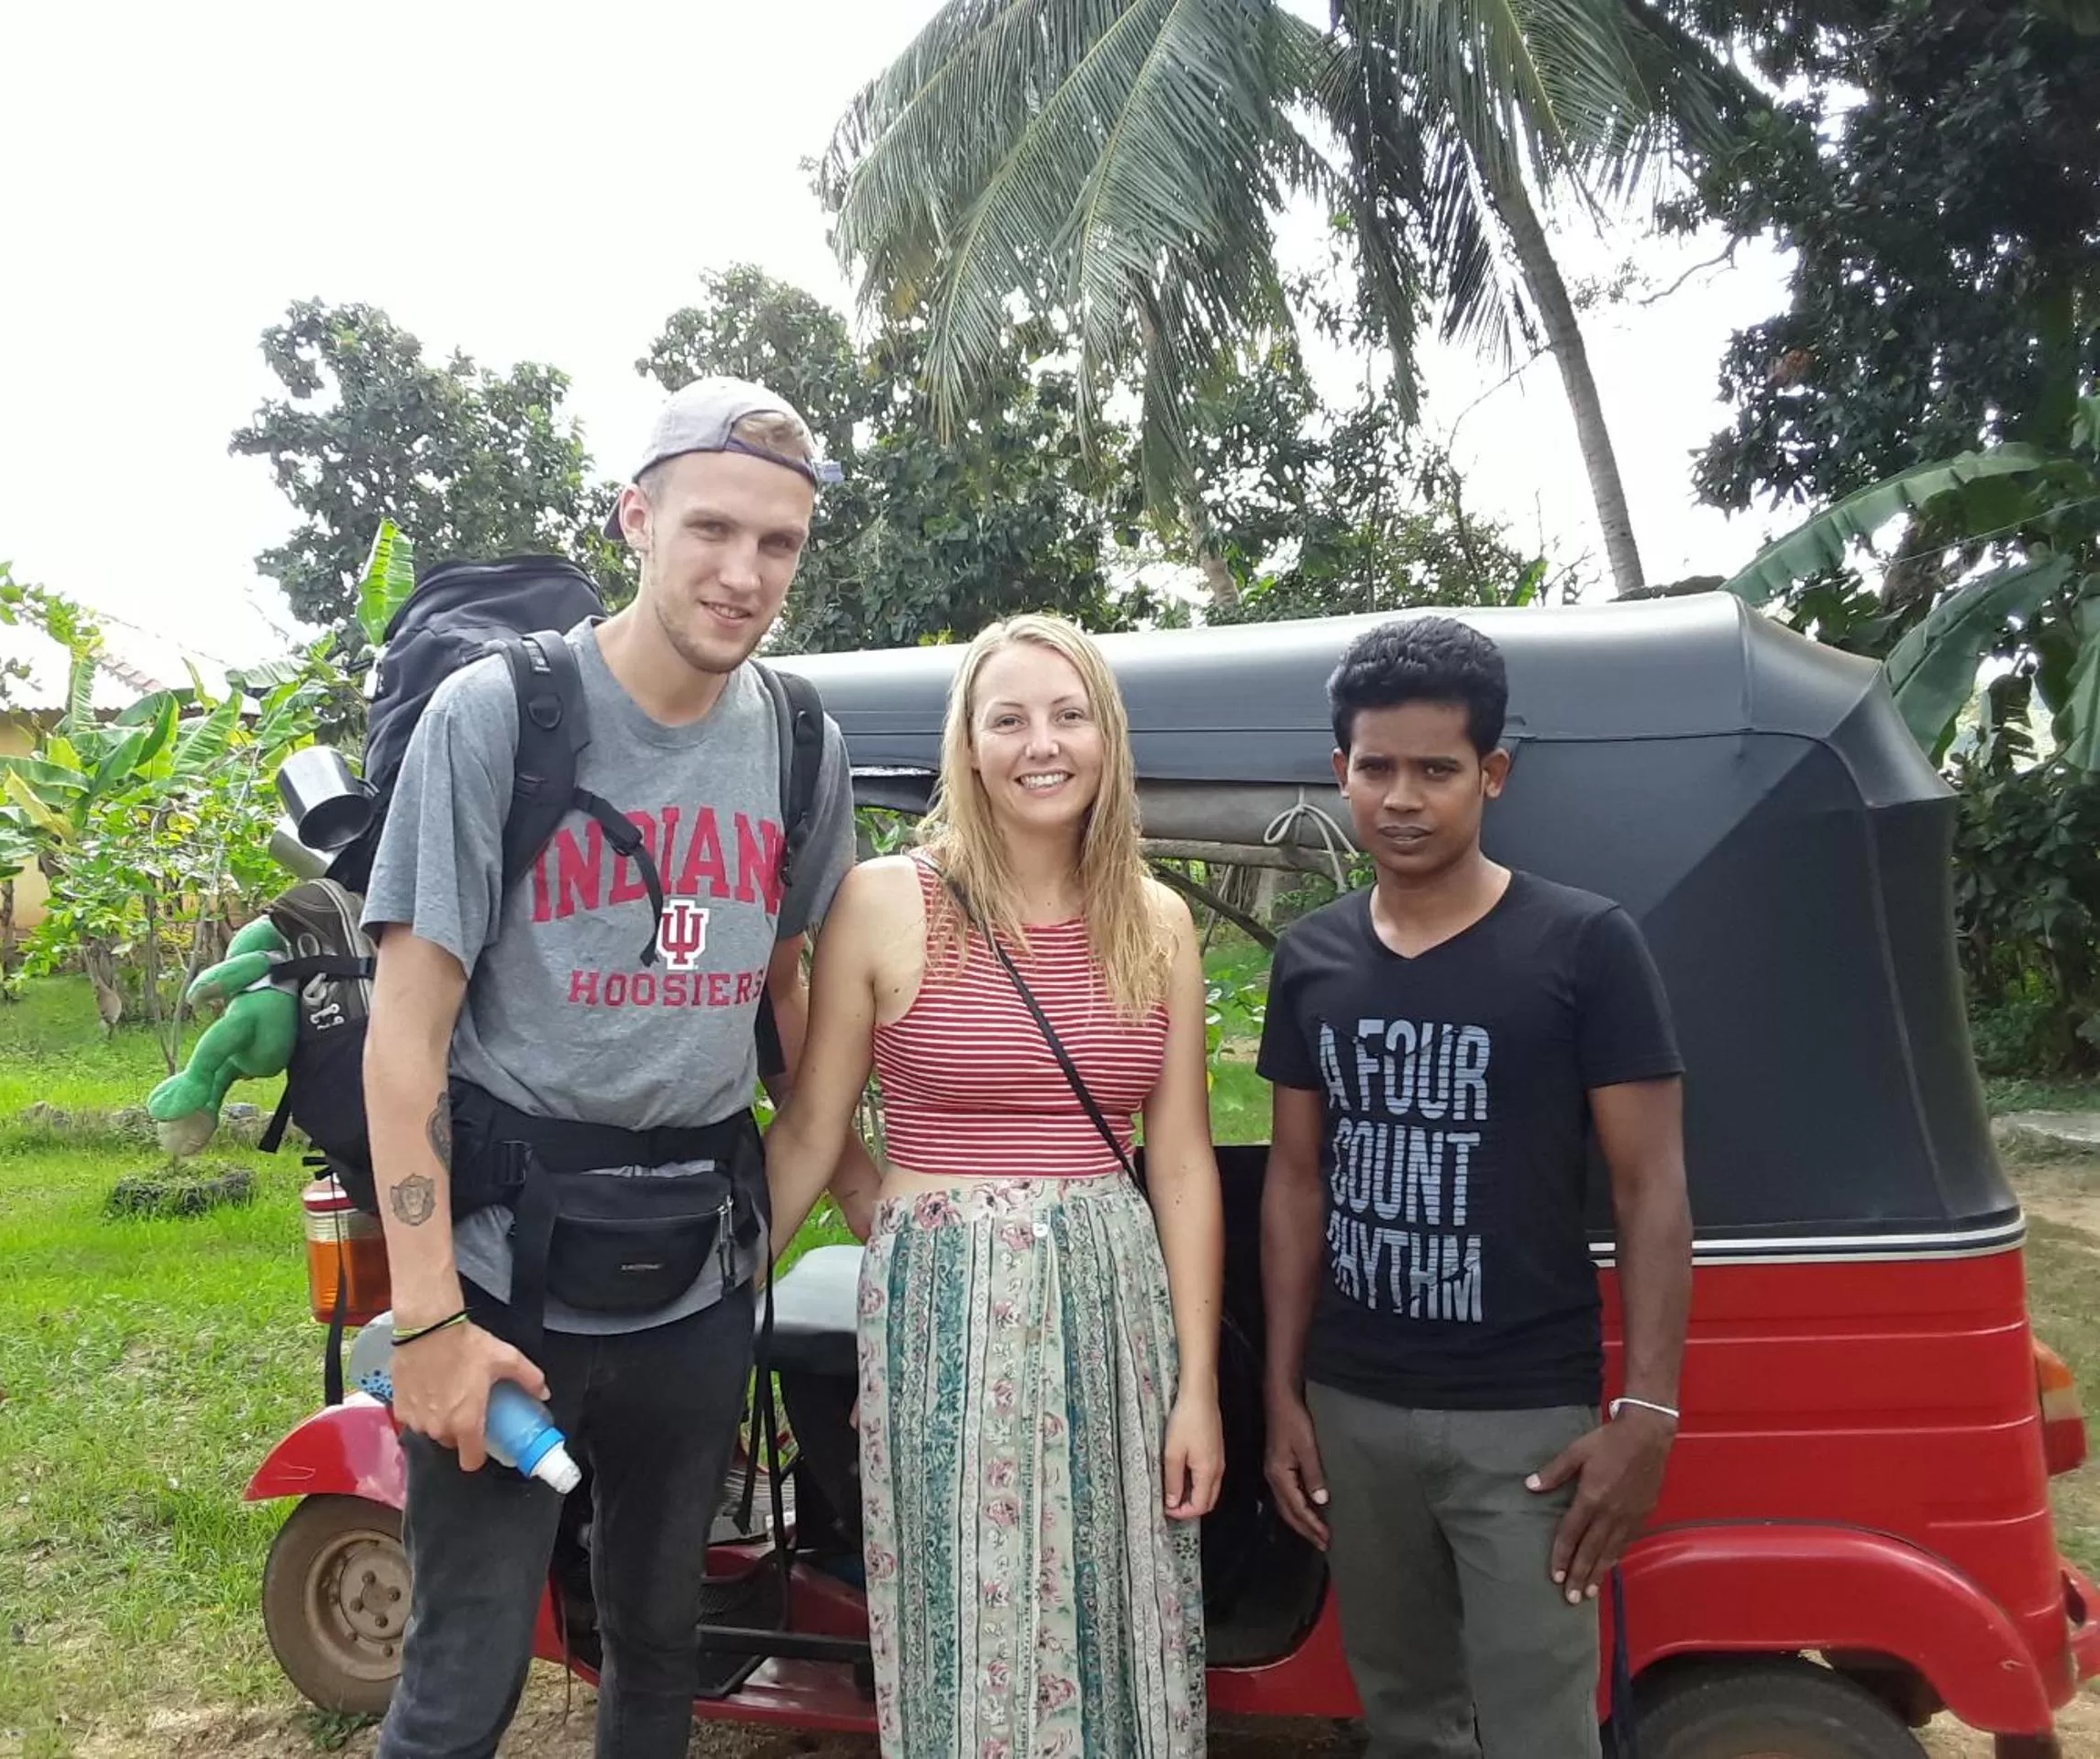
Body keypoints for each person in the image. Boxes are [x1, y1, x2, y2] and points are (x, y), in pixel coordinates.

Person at [359, 376, 870, 1759]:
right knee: (463, 1675)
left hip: (697, 1280)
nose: (742, 572)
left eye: (779, 545)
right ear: (636, 518)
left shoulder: (799, 740)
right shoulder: (498, 717)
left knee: (662, 1648)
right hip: (504, 1275)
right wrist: (425, 1326)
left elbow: (794, 992)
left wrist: (884, 1206)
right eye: (711, 530)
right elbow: (405, 1036)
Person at [766, 613, 1225, 1758]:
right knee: (964, 1604)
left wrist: (1197, 1387)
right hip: (946, 1312)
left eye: (1068, 716)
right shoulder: (883, 900)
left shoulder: (1156, 921)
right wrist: (708, 1305)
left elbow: (1176, 1159)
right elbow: (814, 1127)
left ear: (1105, 738)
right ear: (966, 745)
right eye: (1008, 718)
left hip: (1113, 1302)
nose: (1041, 744)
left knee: (1119, 1601)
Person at [1257, 615, 1693, 1757]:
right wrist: (1283, 1398)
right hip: (1353, 1408)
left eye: (1436, 769)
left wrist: (1645, 1414)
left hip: (1526, 1424)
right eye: (1376, 767)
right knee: (1401, 1712)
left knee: (1541, 1725)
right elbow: (1296, 1185)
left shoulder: (1584, 947)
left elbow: (1650, 1190)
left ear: (1489, 775)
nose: (1403, 798)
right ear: (1339, 770)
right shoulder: (1311, 960)